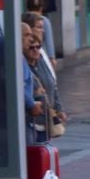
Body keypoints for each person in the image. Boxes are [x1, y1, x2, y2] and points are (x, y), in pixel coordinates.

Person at [21, 12, 64, 141]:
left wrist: (59, 108)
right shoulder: (20, 61)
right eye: (39, 27)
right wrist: (33, 97)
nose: (35, 49)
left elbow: (52, 83)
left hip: (45, 120)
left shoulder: (41, 58)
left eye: (38, 47)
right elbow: (19, 88)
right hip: (31, 122)